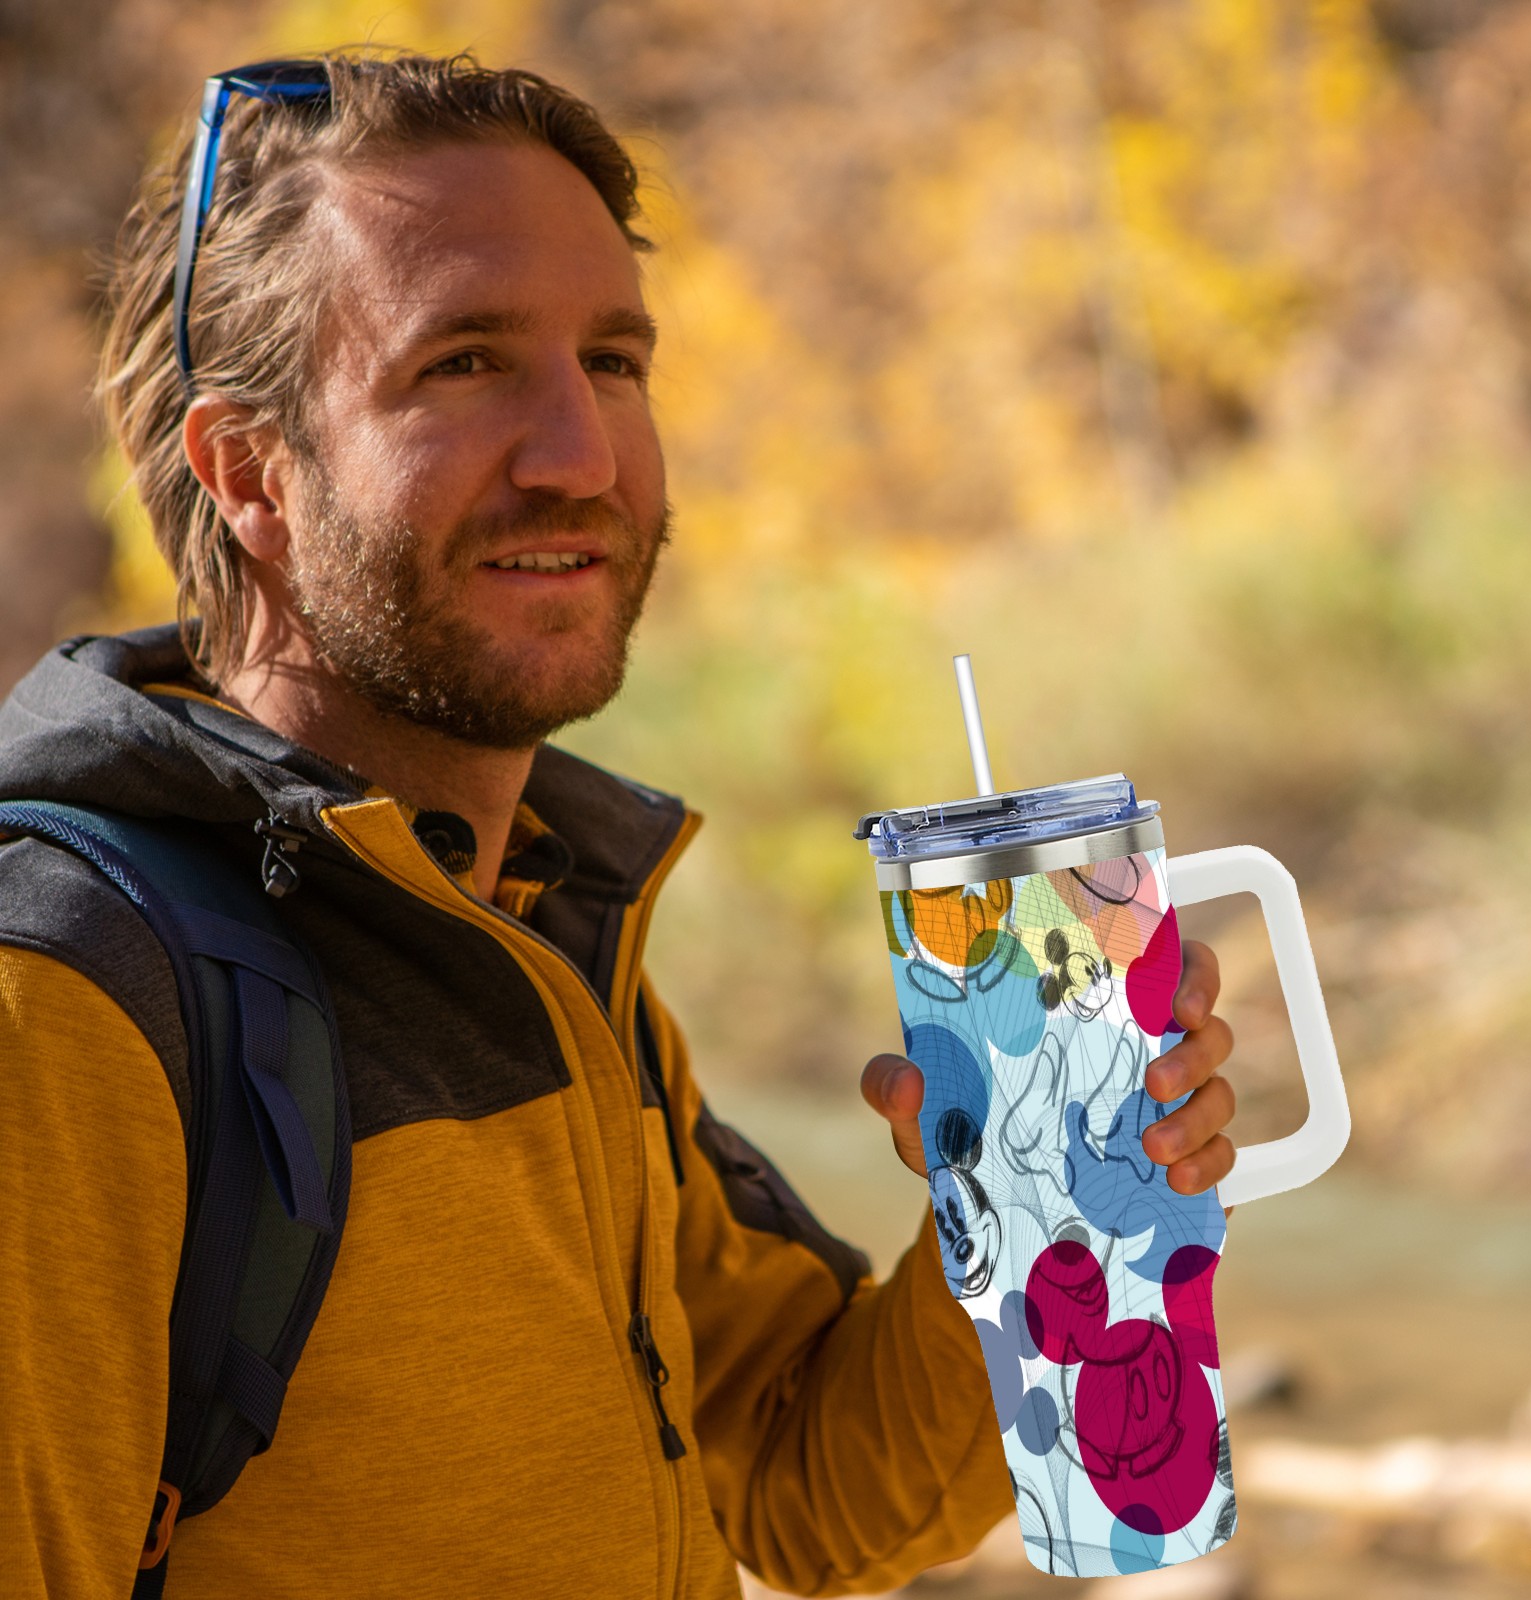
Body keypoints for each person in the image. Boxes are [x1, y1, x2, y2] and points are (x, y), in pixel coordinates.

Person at [0, 51, 1239, 1598]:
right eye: (463, 363)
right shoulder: (71, 998)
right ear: (250, 473)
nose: (580, 455)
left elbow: (805, 1487)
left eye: (614, 360)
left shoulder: (541, 924)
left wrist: (1036, 1204)